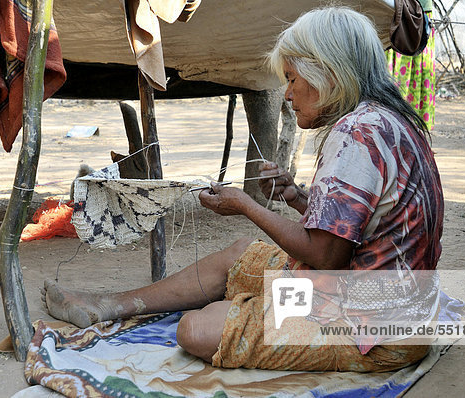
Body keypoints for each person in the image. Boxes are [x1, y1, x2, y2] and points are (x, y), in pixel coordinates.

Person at [42, 6, 444, 372]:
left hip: (373, 334)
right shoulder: (391, 121)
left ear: (329, 73)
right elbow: (362, 230)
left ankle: (249, 310)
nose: (286, 93)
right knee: (237, 255)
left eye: (292, 79)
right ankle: (105, 305)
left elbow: (326, 256)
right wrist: (299, 198)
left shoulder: (355, 134)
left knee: (195, 330)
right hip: (395, 306)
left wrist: (248, 205)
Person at [385, 0, 436, 130]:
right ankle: (393, 126)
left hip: (415, 15)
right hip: (392, 12)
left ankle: (413, 130)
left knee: (411, 71)